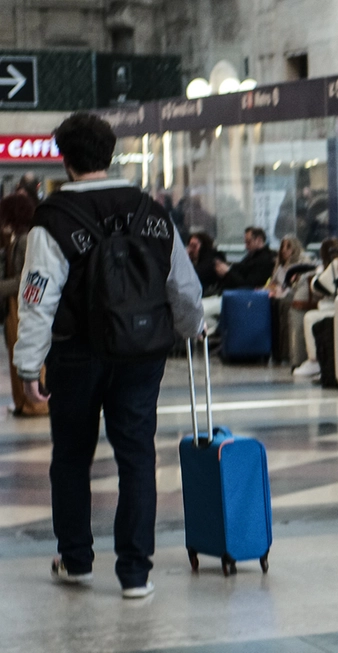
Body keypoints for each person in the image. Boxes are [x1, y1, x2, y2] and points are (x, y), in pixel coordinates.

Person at [14, 113, 204, 598]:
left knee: (72, 457)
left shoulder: (52, 219)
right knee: (137, 456)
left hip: (76, 353)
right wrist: (190, 329)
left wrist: (27, 364)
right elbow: (182, 284)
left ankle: (76, 560)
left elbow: (38, 297)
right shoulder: (151, 210)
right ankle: (135, 573)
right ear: (111, 153)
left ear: (65, 158)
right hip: (142, 354)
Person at [2, 190, 48, 416]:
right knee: (15, 352)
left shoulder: (24, 240)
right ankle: (22, 401)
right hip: (14, 304)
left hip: (19, 304)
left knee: (25, 352)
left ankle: (34, 403)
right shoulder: (17, 239)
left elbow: (24, 277)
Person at [295, 237, 338, 379]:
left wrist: (319, 273)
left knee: (310, 317)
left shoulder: (335, 264)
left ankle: (314, 360)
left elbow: (318, 286)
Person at [201, 226, 278, 335]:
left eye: (248, 242)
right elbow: (239, 271)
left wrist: (228, 272)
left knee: (200, 310)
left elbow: (248, 284)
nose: (246, 246)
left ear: (259, 240)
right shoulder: (251, 257)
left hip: (241, 299)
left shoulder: (264, 260)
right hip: (231, 295)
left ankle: (215, 330)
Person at [186, 231, 222, 297]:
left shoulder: (211, 261)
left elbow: (195, 275)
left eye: (194, 246)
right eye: (189, 246)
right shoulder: (194, 262)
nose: (190, 250)